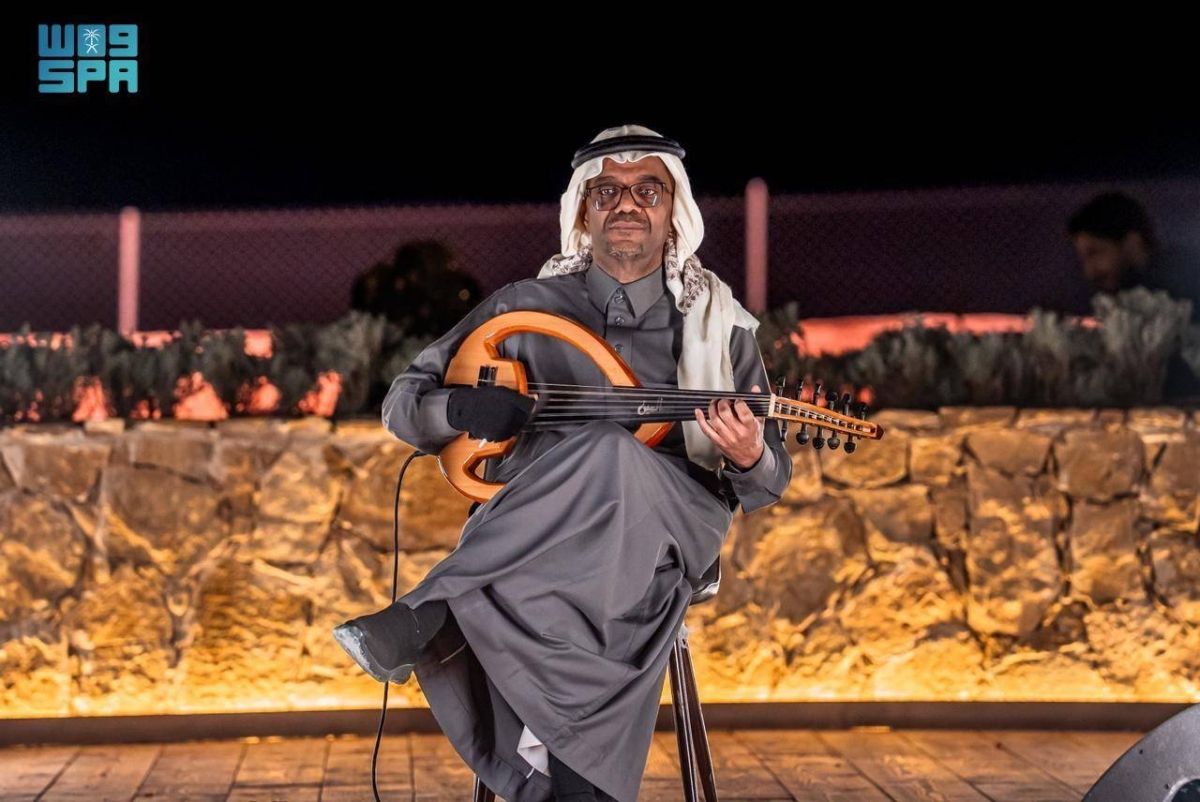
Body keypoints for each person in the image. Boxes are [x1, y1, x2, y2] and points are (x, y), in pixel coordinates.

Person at [333, 124, 792, 802]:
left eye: (647, 191)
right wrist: (458, 410)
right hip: (541, 536)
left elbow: (771, 478)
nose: (626, 204)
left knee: (609, 452)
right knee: (572, 577)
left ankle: (434, 614)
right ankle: (580, 787)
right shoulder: (524, 309)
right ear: (583, 210)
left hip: (671, 526)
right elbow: (403, 404)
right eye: (607, 192)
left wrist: (749, 453)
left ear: (674, 210)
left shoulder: (718, 326)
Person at [1068, 190, 1200, 400]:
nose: (1089, 271)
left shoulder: (1184, 290)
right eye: (1084, 259)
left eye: (1095, 253)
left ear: (1132, 243)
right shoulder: (1123, 306)